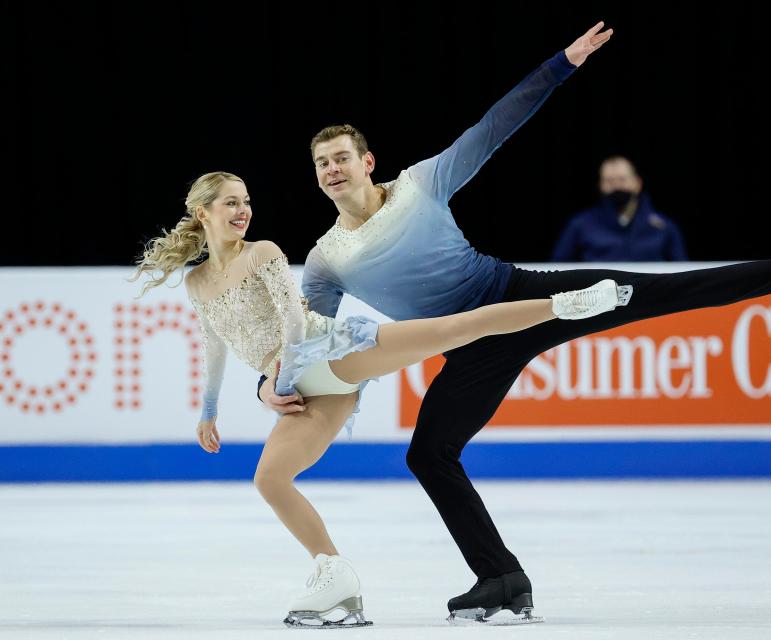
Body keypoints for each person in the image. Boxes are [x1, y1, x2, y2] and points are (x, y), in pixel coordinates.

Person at [256, 21, 771, 624]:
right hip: (474, 348)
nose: (331, 170)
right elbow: (308, 337)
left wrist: (561, 65)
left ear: (368, 161)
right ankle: (500, 578)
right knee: (430, 453)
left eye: (341, 158)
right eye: (320, 164)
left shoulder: (422, 182)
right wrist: (271, 380)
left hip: (520, 295)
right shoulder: (326, 260)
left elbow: (495, 124)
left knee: (663, 292)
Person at [129, 171, 628, 628]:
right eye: (231, 203)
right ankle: (335, 579)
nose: (243, 210)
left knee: (449, 330)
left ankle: (563, 305)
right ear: (203, 213)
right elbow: (214, 343)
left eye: (246, 201)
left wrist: (279, 386)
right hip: (306, 390)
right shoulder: (197, 282)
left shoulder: (263, 252)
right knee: (270, 478)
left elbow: (296, 323)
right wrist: (209, 410)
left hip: (329, 352)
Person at [551, 155, 688, 261]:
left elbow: (682, 272)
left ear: (637, 183)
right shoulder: (580, 225)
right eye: (609, 181)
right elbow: (558, 267)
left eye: (622, 179)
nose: (616, 186)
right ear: (600, 185)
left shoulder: (663, 227)